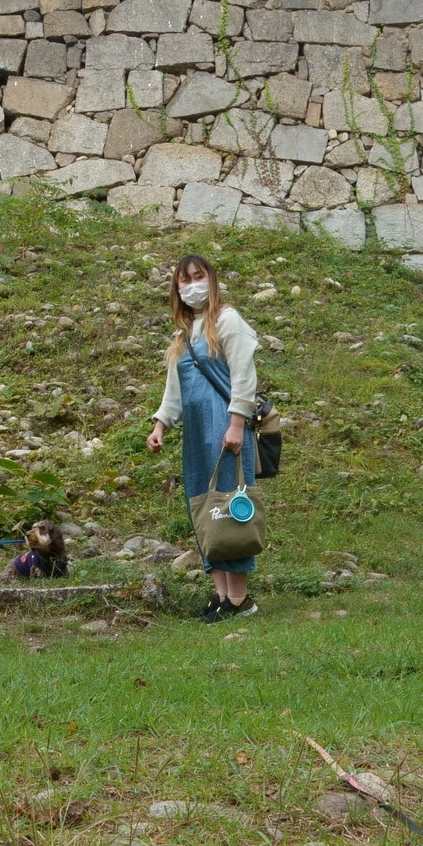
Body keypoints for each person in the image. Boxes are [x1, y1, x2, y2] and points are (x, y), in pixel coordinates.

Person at [146, 253, 260, 620]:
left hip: (226, 427)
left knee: (231, 509)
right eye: (185, 279)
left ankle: (241, 600)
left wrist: (237, 424)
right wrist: (161, 424)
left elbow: (244, 376)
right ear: (176, 288)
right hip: (197, 433)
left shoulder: (228, 321)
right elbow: (174, 390)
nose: (192, 284)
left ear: (211, 279)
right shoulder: (182, 335)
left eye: (198, 276)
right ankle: (222, 596)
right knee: (205, 508)